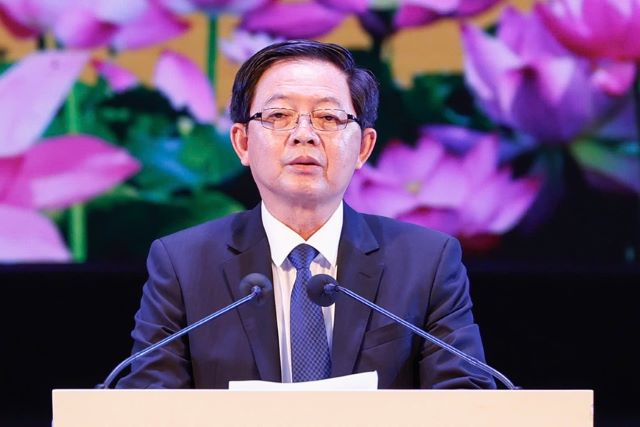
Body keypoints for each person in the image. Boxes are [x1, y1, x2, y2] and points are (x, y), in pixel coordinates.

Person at [117, 40, 495, 389]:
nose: (304, 134)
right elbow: (149, 401)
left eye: (328, 118)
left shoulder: (427, 262)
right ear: (242, 143)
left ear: (363, 148)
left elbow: (466, 399)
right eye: (279, 115)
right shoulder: (183, 264)